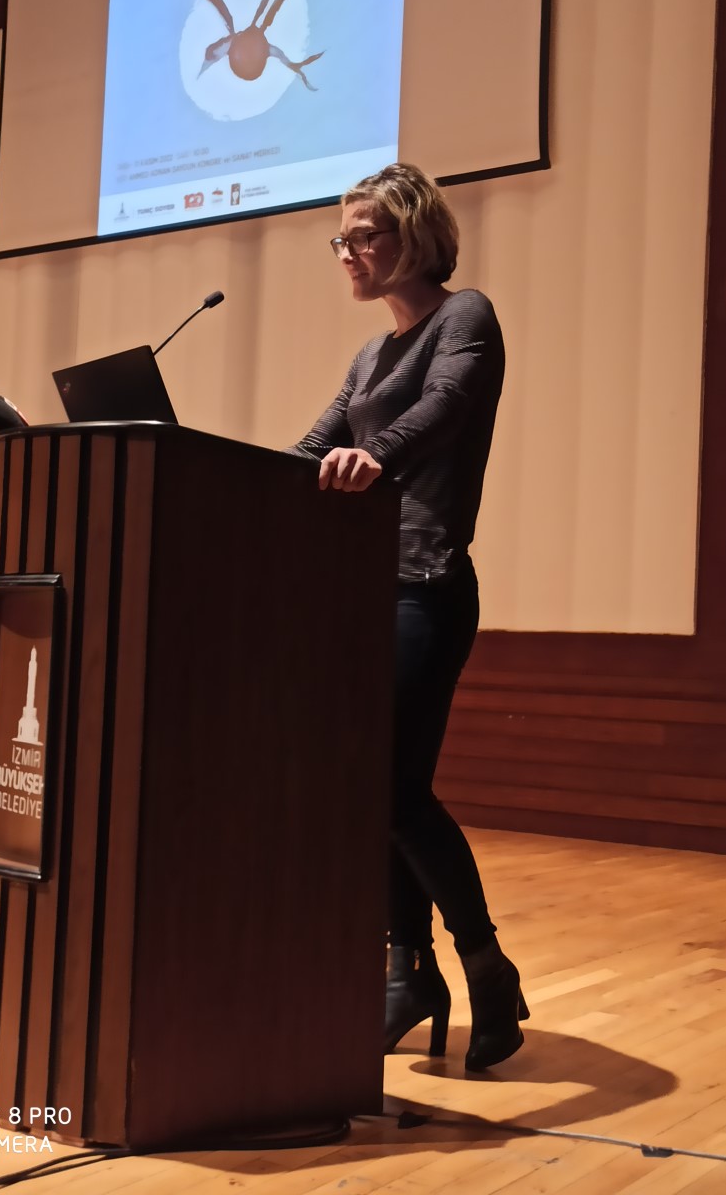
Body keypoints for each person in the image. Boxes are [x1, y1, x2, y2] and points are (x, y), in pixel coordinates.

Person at [291, 162, 527, 1072]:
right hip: (360, 590)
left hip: (424, 586)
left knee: (389, 788)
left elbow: (443, 411)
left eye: (364, 236)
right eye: (341, 240)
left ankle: (482, 966)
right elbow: (313, 447)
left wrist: (372, 457)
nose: (347, 253)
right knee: (373, 791)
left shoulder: (463, 317)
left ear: (415, 236)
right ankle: (410, 972)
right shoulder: (369, 357)